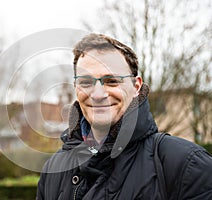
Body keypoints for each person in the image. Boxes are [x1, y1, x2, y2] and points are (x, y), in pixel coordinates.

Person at [36, 33, 212, 199]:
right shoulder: (53, 170)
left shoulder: (186, 164)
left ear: (136, 87)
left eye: (111, 81)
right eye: (86, 82)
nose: (98, 94)